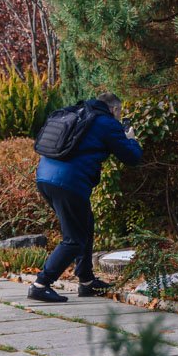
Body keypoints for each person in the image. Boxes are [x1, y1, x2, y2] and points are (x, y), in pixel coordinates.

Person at [29, 92, 142, 303]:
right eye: (119, 112)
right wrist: (131, 139)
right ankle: (40, 284)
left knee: (86, 225)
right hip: (68, 183)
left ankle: (87, 282)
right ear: (114, 110)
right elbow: (132, 157)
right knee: (74, 239)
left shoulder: (77, 112)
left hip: (45, 178)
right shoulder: (106, 123)